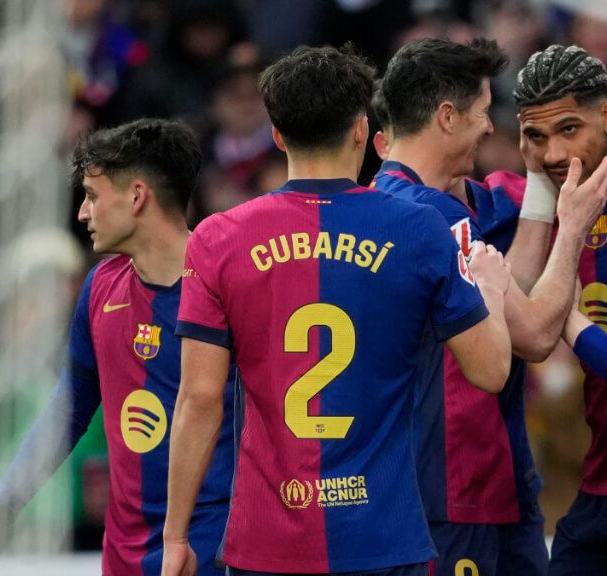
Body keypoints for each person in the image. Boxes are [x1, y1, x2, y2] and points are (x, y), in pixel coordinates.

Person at [161, 45, 513, 576]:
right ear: (360, 129)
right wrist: (490, 288)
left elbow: (200, 399)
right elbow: (491, 371)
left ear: (277, 135)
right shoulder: (418, 229)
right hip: (384, 538)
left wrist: (175, 535)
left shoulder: (217, 238)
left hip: (266, 545)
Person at [375, 37, 607, 576]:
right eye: (482, 114)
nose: (489, 127)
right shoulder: (423, 216)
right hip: (450, 485)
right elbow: (531, 334)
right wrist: (572, 226)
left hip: (493, 477)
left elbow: (507, 292)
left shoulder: (441, 203)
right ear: (448, 116)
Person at [0, 119, 234, 575]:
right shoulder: (101, 286)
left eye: (91, 195)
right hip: (124, 551)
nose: (83, 213)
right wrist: (6, 501)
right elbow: (71, 407)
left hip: (213, 546)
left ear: (137, 196)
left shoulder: (228, 285)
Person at [513, 44, 607, 576]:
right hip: (602, 480)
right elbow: (522, 324)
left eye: (568, 130)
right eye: (536, 137)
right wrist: (539, 187)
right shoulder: (540, 203)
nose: (554, 152)